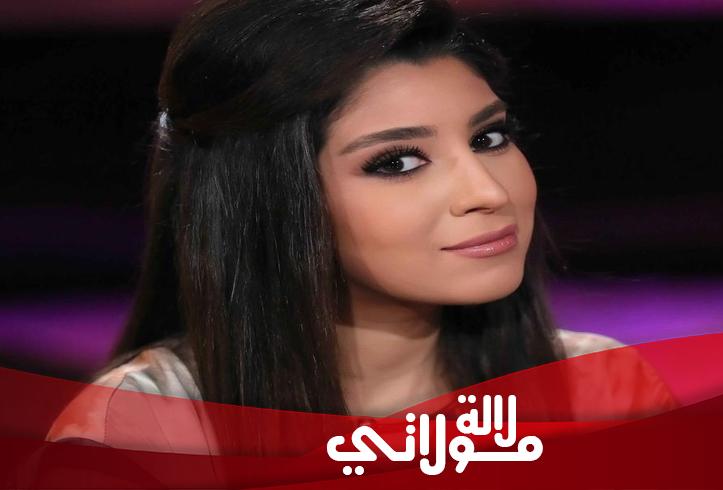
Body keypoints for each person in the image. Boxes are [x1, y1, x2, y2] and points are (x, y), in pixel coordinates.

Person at [45, 0, 678, 456]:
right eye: (397, 162)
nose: (488, 192)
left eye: (489, 138)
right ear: (271, 198)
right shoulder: (146, 429)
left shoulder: (602, 393)